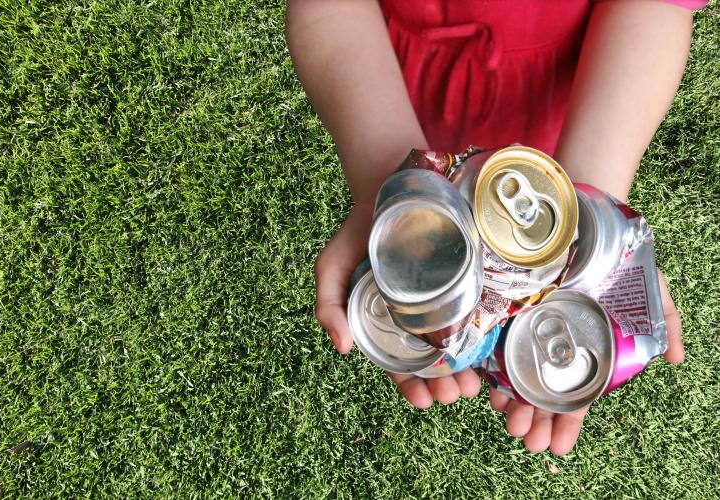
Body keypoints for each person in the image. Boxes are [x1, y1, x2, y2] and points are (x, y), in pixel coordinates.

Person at [286, 0, 703, 455]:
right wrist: (387, 180)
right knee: (488, 187)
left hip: (586, 89)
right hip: (384, 81)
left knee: (523, 189)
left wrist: (589, 209)